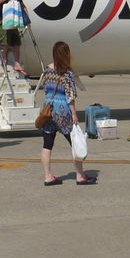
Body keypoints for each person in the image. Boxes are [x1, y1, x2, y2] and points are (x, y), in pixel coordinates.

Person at [37, 41, 94, 186]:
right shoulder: (68, 73)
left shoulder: (47, 70)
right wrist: (74, 114)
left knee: (47, 145)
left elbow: (45, 87)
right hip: (62, 109)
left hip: (48, 108)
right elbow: (70, 96)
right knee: (75, 143)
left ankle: (48, 176)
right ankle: (80, 176)